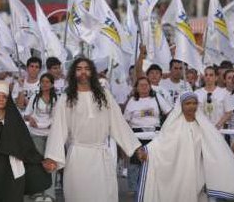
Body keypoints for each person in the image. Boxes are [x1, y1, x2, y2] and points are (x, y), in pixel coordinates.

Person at [43, 57, 142, 202]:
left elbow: (119, 124)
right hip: (77, 157)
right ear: (73, 73)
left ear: (93, 72)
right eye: (79, 69)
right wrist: (52, 157)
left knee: (103, 196)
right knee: (78, 195)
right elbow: (58, 129)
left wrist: (136, 147)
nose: (83, 72)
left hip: (100, 156)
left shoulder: (104, 96)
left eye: (87, 68)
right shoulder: (65, 99)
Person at [136, 92, 234, 202]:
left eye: (194, 103)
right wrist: (147, 151)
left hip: (198, 169)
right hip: (179, 170)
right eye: (188, 103)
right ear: (181, 106)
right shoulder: (173, 125)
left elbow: (216, 145)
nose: (192, 106)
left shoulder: (203, 125)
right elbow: (161, 143)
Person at [123, 77, 171, 195]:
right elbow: (125, 121)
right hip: (137, 135)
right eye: (141, 85)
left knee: (154, 161)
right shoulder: (132, 101)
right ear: (136, 88)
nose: (144, 87)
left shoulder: (157, 98)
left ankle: (154, 185)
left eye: (146, 85)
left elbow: (169, 113)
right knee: (135, 162)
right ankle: (133, 188)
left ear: (150, 86)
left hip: (155, 135)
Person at [24, 73, 58, 201]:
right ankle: (37, 193)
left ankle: (49, 194)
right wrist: (30, 119)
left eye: (47, 82)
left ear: (52, 84)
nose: (44, 84)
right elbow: (26, 114)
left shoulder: (56, 99)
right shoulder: (34, 98)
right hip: (36, 134)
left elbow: (58, 118)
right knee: (37, 164)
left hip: (50, 135)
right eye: (42, 81)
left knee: (51, 164)